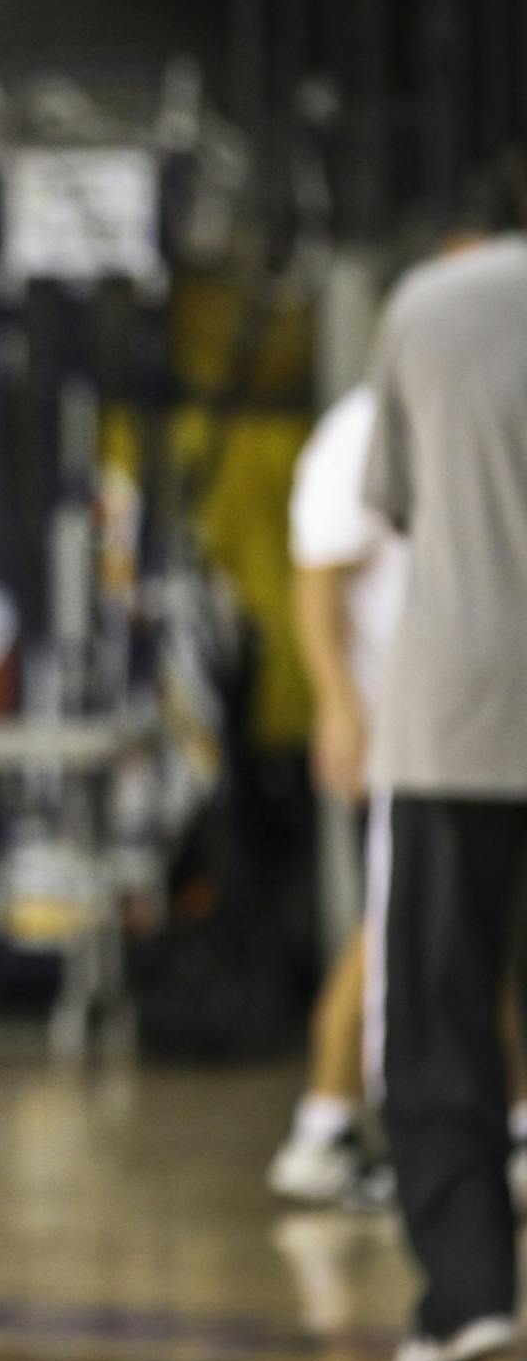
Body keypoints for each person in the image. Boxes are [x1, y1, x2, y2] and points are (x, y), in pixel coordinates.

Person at [363, 222, 527, 1361]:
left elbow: (399, 500)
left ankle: (467, 1294)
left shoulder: (427, 305)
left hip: (455, 720)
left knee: (439, 1015)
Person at [267, 382, 407, 1207]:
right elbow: (316, 582)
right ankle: (323, 1123)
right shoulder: (364, 426)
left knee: (469, 922)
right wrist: (340, 708)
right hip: (401, 730)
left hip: (459, 722)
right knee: (401, 916)